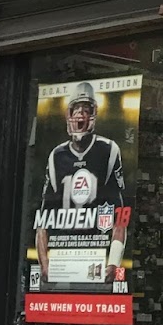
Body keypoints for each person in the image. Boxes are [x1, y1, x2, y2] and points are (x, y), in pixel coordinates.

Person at [35, 82, 131, 288]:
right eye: (76, 109)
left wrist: (113, 262)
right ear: (68, 114)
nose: (80, 114)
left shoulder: (108, 150)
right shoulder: (56, 155)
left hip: (96, 253)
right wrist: (44, 264)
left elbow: (120, 216)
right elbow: (42, 220)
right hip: (63, 255)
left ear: (94, 114)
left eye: (86, 109)